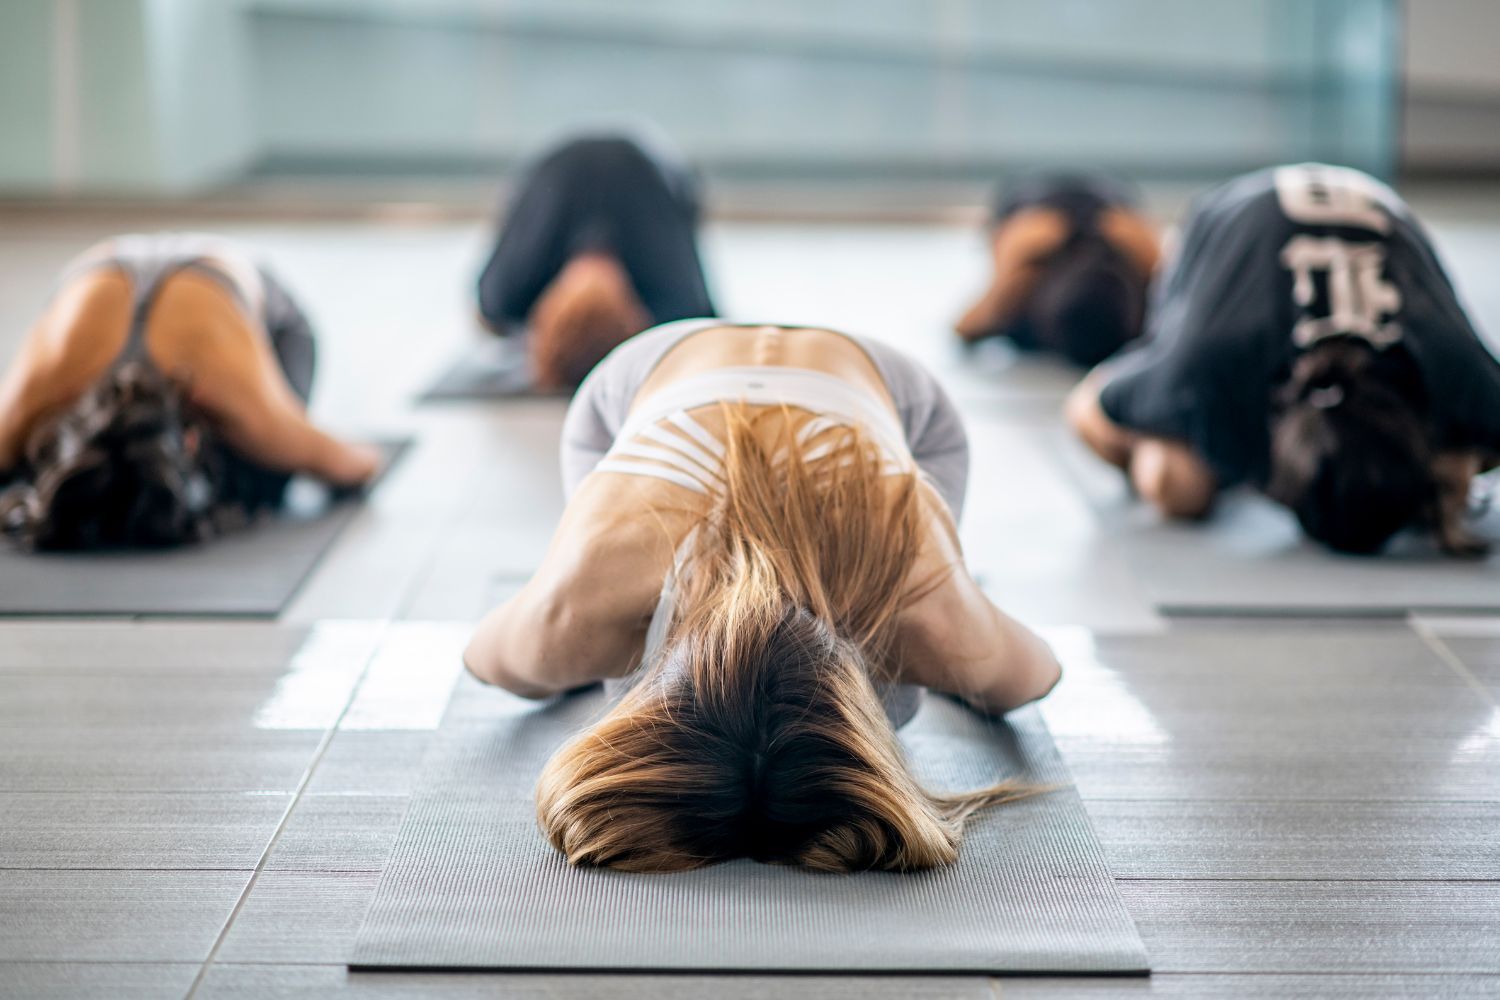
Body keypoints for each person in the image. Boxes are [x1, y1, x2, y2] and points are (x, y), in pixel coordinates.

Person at [464, 318, 1061, 873]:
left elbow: (1034, 676)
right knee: (560, 657)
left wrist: (959, 638)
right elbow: (487, 661)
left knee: (926, 677)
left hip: (873, 406)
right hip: (669, 384)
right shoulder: (579, 606)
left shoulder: (923, 610)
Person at [1066, 163, 1500, 556]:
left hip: (1366, 205)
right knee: (1176, 483)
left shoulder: (1453, 369)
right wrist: (1196, 445)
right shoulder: (1210, 364)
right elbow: (1087, 408)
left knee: (1456, 476)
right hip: (1227, 216)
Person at [0, 233, 382, 550]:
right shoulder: (45, 392)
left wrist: (289, 444)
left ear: (191, 437)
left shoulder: (240, 405)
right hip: (106, 267)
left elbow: (356, 465)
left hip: (247, 299)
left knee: (265, 466)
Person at [476, 135, 717, 389]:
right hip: (644, 165)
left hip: (569, 163)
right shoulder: (677, 299)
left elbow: (488, 320)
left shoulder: (507, 293)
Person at [955, 174, 1160, 368]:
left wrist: (1012, 268)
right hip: (1111, 204)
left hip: (1032, 208)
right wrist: (1154, 262)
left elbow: (965, 328)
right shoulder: (1135, 296)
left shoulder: (1021, 292)